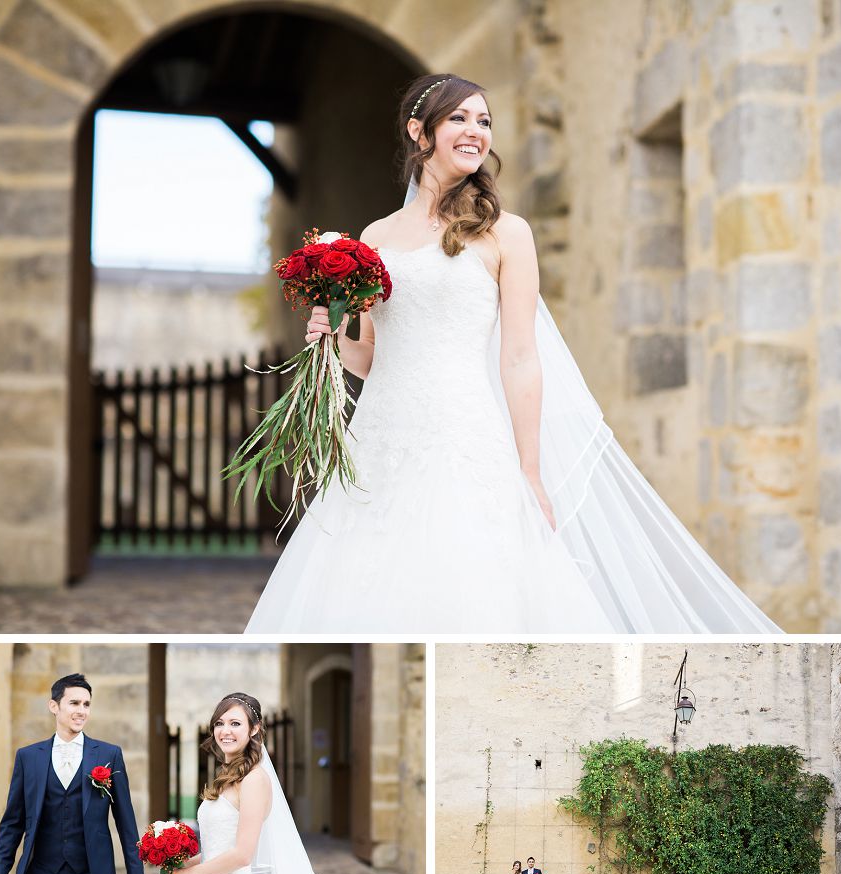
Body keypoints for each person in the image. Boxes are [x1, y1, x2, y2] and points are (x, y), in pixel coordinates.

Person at [244, 72, 782, 634]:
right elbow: (370, 357)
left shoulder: (506, 233)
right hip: (381, 437)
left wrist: (530, 471)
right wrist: (330, 341)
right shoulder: (374, 237)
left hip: (465, 435)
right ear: (419, 131)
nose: (476, 131)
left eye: (484, 120)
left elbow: (520, 357)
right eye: (459, 118)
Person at [161, 693, 352, 874]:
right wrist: (184, 865)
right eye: (219, 723)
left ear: (254, 729)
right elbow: (221, 849)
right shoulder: (226, 777)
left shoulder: (254, 780)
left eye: (235, 723)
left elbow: (242, 854)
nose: (225, 731)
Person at [0, 673, 145, 874]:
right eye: (74, 703)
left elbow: (126, 821)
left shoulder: (109, 754)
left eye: (86, 704)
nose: (81, 711)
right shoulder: (28, 757)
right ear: (54, 706)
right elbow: (13, 822)